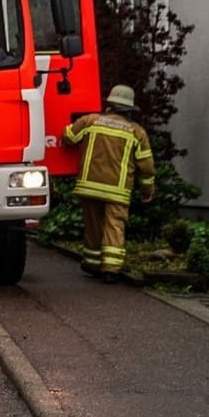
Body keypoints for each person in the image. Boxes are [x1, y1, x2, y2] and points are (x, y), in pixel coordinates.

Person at [63, 84, 156, 283]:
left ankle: (92, 263)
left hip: (90, 185)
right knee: (114, 226)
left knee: (93, 225)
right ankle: (110, 270)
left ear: (110, 105)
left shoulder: (91, 121)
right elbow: (146, 168)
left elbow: (68, 137)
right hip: (117, 190)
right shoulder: (136, 132)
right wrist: (147, 191)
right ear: (129, 109)